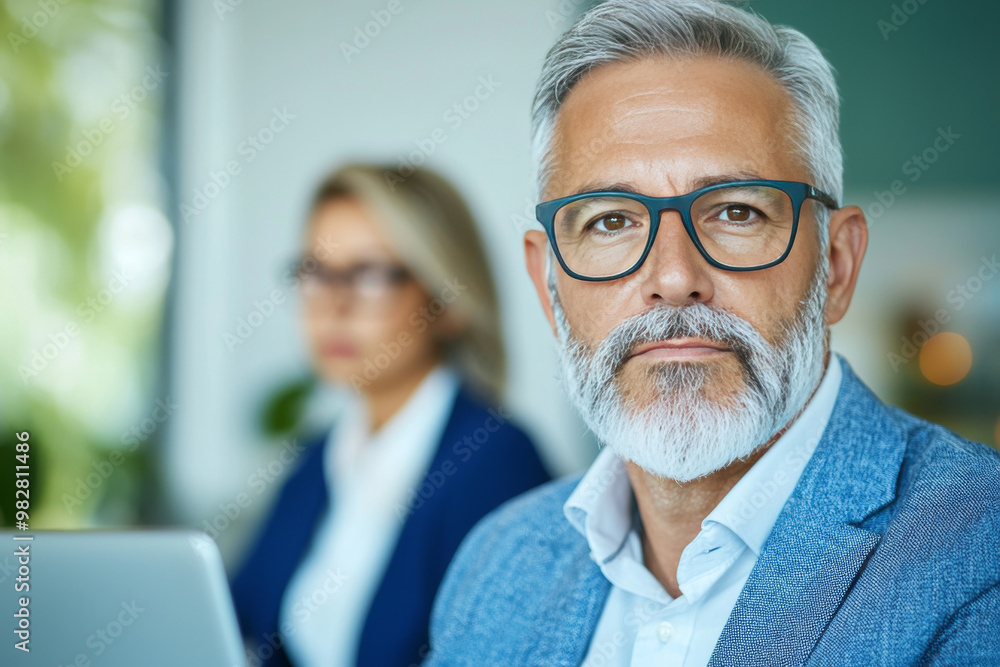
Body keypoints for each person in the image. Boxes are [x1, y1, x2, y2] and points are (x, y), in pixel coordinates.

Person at [425, 1, 1000, 665]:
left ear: (837, 266)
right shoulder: (495, 563)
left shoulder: (978, 552)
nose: (673, 276)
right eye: (611, 222)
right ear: (548, 288)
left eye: (735, 211)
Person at [230, 162, 551, 667]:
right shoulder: (315, 462)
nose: (333, 306)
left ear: (448, 303)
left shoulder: (496, 461)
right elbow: (236, 621)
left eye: (371, 275)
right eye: (316, 273)